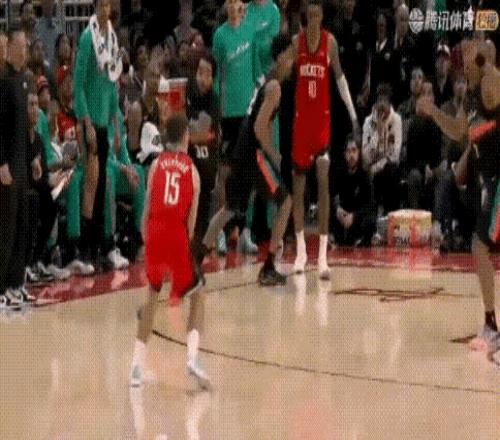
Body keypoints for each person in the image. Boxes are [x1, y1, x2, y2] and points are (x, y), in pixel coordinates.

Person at [417, 39, 500, 358]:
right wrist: (434, 111)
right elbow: (457, 130)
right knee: (480, 247)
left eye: (468, 57)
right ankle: (491, 324)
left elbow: (492, 72)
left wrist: (481, 56)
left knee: (479, 247)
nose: (463, 62)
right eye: (461, 58)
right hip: (489, 182)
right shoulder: (472, 97)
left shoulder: (490, 83)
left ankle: (491, 326)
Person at [196, 33, 293, 286]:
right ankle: (268, 267)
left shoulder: (268, 81)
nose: (293, 59)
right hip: (252, 154)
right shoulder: (274, 87)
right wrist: (276, 157)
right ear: (281, 56)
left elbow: (260, 123)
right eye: (291, 54)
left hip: (242, 151)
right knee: (285, 203)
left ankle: (195, 262)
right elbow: (260, 128)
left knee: (229, 209)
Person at [281, 0, 360, 279]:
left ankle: (323, 256)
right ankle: (302, 252)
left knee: (324, 183)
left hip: (322, 125)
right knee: (298, 187)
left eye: (317, 15)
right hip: (301, 125)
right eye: (310, 16)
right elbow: (282, 72)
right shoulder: (296, 43)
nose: (314, 20)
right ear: (306, 18)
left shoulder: (330, 43)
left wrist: (353, 114)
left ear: (322, 16)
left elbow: (341, 80)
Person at [130, 114, 209, 389]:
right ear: (186, 137)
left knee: (151, 298)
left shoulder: (156, 165)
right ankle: (192, 358)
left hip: (153, 234)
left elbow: (146, 210)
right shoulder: (193, 172)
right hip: (176, 235)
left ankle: (136, 369)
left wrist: (149, 243)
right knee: (199, 292)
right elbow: (191, 225)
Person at [73, 0, 124, 269]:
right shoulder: (87, 38)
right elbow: (77, 85)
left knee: (103, 181)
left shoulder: (112, 38)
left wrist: (116, 125)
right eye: (102, 5)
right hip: (90, 120)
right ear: (95, 8)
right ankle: (84, 249)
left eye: (108, 5)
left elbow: (113, 84)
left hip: (105, 119)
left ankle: (102, 247)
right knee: (91, 183)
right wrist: (87, 122)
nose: (106, 10)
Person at [212, 0, 258, 254]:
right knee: (225, 173)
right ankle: (221, 230)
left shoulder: (250, 30)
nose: (233, 5)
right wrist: (218, 113)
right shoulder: (220, 36)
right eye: (229, 1)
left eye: (236, 1)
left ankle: (244, 230)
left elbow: (256, 69)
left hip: (247, 112)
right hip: (228, 114)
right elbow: (217, 75)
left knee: (249, 172)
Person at [0, 27, 41, 308]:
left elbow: (25, 126)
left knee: (21, 227)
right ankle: (1, 285)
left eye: (27, 45)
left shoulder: (25, 80)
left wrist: (33, 157)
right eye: (22, 45)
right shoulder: (2, 81)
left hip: (22, 164)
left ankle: (16, 283)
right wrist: (1, 162)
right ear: (11, 48)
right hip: (7, 167)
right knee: (5, 228)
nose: (25, 49)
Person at [187, 52, 221, 249]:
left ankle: (206, 237)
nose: (202, 77)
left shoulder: (214, 100)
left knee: (205, 193)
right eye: (200, 71)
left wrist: (189, 134)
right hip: (189, 159)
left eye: (207, 73)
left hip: (207, 161)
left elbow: (203, 133)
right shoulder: (187, 92)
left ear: (212, 78)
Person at [362, 83, 402, 215]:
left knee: (390, 171)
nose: (382, 105)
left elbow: (395, 156)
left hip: (385, 169)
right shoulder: (368, 122)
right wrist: (377, 133)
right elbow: (366, 157)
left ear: (390, 103)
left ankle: (391, 214)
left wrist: (376, 167)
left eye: (385, 101)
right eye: (380, 101)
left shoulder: (397, 120)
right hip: (371, 168)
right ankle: (373, 215)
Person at [332, 134, 375, 246]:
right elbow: (333, 194)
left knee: (370, 221)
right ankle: (337, 239)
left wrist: (354, 216)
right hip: (344, 216)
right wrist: (338, 209)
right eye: (348, 151)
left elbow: (370, 204)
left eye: (354, 150)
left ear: (359, 152)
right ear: (344, 154)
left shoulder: (365, 173)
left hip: (358, 216)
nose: (351, 155)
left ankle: (360, 240)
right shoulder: (339, 171)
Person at [33, 0, 65, 70]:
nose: (48, 5)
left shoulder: (58, 26)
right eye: (45, 2)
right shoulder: (36, 28)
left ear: (53, 3)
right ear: (41, 3)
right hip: (43, 69)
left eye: (50, 2)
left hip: (57, 68)